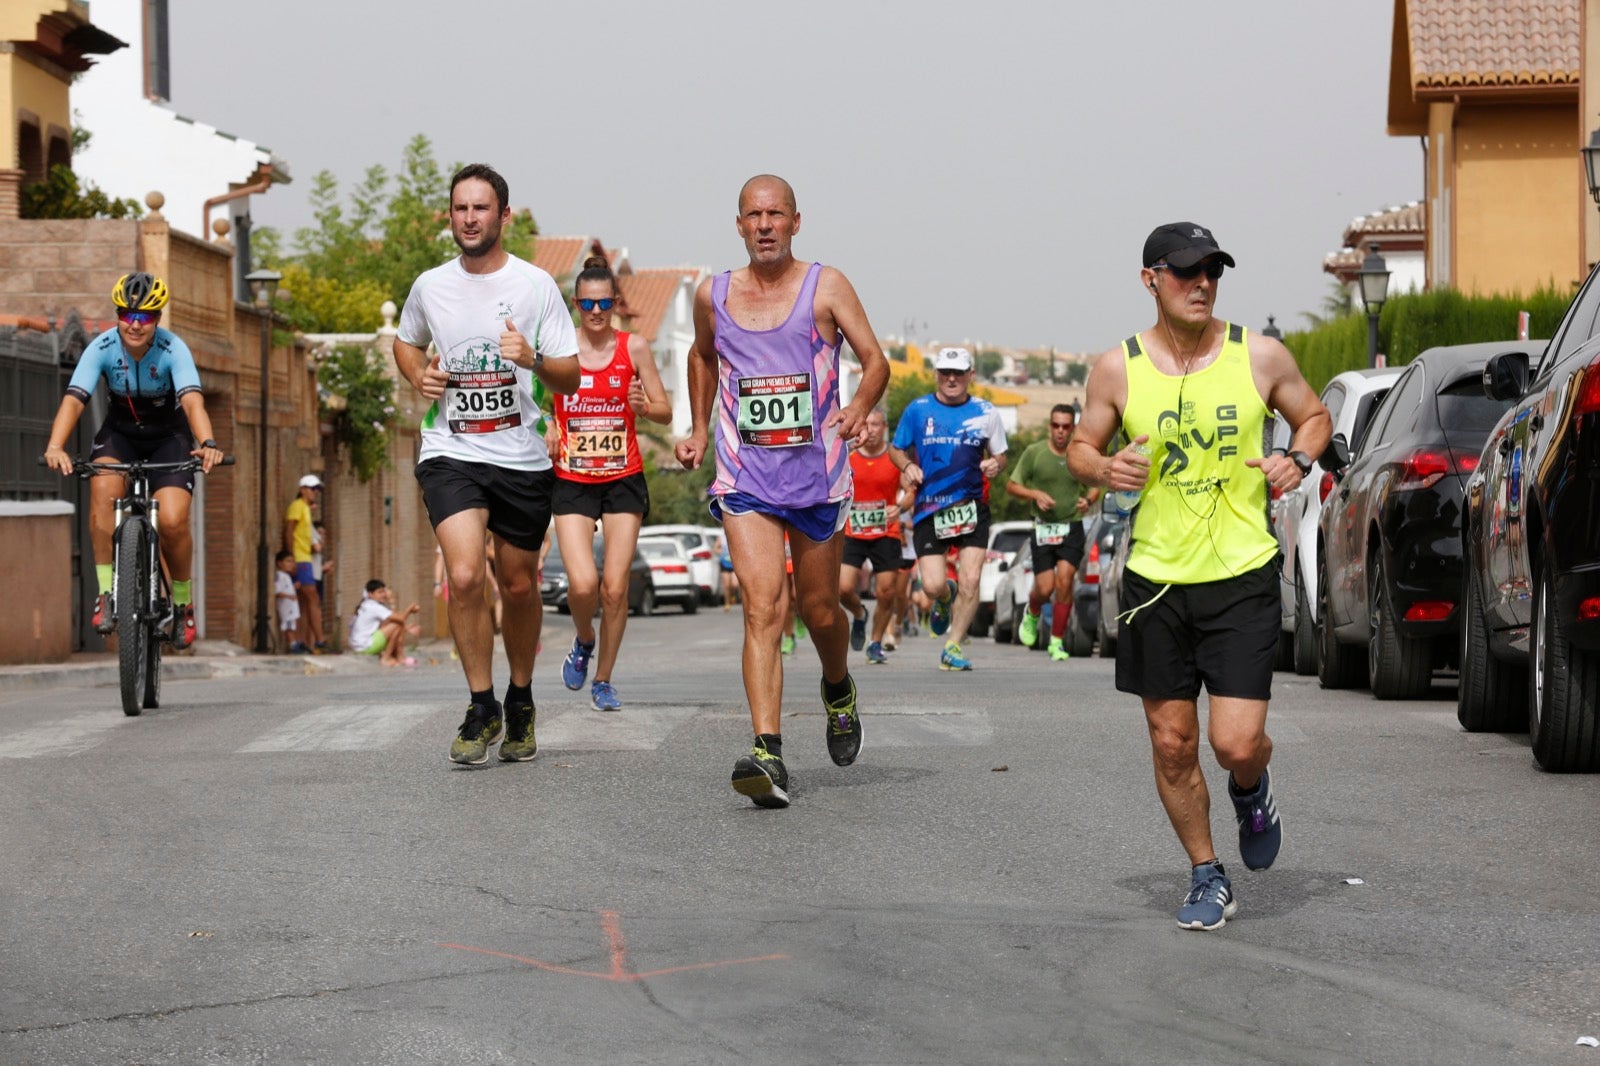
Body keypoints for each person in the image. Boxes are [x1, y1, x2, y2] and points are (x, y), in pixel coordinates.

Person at [1067, 221, 1331, 932]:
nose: (1202, 284)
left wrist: (1297, 461)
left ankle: (1252, 788)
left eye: (1212, 270)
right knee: (1173, 743)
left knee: (1234, 743)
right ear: (1150, 278)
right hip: (1155, 579)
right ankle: (1207, 872)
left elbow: (1314, 417)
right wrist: (1105, 467)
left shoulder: (1260, 356)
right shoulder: (1117, 368)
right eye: (1185, 272)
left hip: (1241, 572)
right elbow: (1082, 450)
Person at [674, 173, 889, 808]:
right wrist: (695, 426)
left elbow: (876, 359)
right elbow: (701, 356)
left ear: (796, 222)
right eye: (753, 215)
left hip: (817, 476)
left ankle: (838, 685)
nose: (764, 225)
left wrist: (859, 406)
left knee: (819, 612)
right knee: (763, 606)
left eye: (776, 214)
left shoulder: (827, 286)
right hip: (745, 478)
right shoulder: (712, 294)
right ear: (738, 225)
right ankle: (767, 749)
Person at [392, 162, 580, 766]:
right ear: (450, 216)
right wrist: (416, 372)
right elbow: (405, 339)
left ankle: (520, 697)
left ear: (504, 216)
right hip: (451, 450)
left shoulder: (535, 286)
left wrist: (532, 358)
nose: (469, 218)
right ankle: (481, 704)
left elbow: (570, 374)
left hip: (522, 456)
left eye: (480, 208)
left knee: (520, 583)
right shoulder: (430, 286)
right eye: (460, 208)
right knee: (468, 576)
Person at [41, 272, 225, 650]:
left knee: (173, 520)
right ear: (118, 315)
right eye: (127, 314)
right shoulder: (103, 347)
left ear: (157, 319)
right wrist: (55, 446)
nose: (135, 324)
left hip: (168, 438)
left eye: (145, 316)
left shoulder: (174, 349)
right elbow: (75, 398)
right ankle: (107, 595)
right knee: (103, 495)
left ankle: (182, 602)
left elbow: (192, 402)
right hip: (120, 435)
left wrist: (207, 442)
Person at [546, 255, 672, 712]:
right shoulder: (558, 347)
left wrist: (643, 405)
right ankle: (583, 640)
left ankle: (603, 679)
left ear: (615, 303)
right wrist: (549, 424)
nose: (596, 312)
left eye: (604, 303)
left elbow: (665, 410)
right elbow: (538, 401)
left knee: (615, 588)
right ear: (576, 304)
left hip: (623, 477)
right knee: (582, 585)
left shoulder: (633, 348)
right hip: (573, 479)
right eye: (587, 303)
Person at [889, 346, 1008, 672]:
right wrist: (907, 467)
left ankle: (953, 644)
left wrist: (995, 464)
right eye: (945, 373)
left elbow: (1001, 455)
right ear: (937, 375)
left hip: (972, 506)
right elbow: (896, 449)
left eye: (958, 373)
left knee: (971, 579)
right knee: (931, 586)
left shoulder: (986, 411)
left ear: (971, 375)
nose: (951, 379)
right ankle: (944, 598)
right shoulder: (918, 410)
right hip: (930, 507)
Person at [1005, 403, 1098, 661]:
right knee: (1045, 588)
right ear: (1049, 426)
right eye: (1056, 425)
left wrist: (1088, 501)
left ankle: (1056, 641)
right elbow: (1013, 486)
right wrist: (1035, 494)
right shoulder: (1034, 453)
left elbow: (1094, 485)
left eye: (1066, 426)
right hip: (1044, 527)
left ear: (1072, 428)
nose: (1060, 431)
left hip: (1072, 525)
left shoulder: (1079, 455)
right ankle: (1033, 611)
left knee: (1065, 580)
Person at [838, 406, 911, 665]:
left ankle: (876, 642)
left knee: (887, 591)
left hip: (885, 531)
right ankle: (859, 613)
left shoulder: (893, 457)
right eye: (866, 424)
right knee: (843, 588)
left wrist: (900, 507)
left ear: (885, 427)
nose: (870, 431)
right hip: (853, 531)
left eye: (876, 425)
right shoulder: (849, 456)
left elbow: (911, 490)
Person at [284, 475, 325, 652]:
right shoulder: (297, 506)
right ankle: (321, 640)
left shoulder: (306, 509)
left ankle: (304, 641)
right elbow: (288, 530)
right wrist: (290, 556)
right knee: (312, 597)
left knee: (304, 601)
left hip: (306, 558)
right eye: (312, 488)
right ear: (302, 490)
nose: (315, 492)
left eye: (317, 489)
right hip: (300, 559)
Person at [349, 579, 422, 667]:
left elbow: (388, 623)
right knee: (398, 624)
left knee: (398, 625)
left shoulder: (366, 604)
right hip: (365, 646)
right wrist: (410, 608)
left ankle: (397, 657)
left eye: (384, 592)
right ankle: (389, 658)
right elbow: (400, 619)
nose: (383, 595)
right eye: (379, 592)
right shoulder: (374, 607)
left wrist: (406, 628)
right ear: (370, 594)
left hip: (359, 646)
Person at [274, 550, 300, 654]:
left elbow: (286, 588)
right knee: (289, 627)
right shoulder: (279, 576)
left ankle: (294, 643)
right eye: (288, 561)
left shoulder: (287, 576)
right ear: (280, 563)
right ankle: (292, 644)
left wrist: (294, 587)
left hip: (291, 608)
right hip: (287, 608)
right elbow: (277, 592)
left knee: (292, 626)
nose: (291, 564)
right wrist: (289, 596)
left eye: (292, 561)